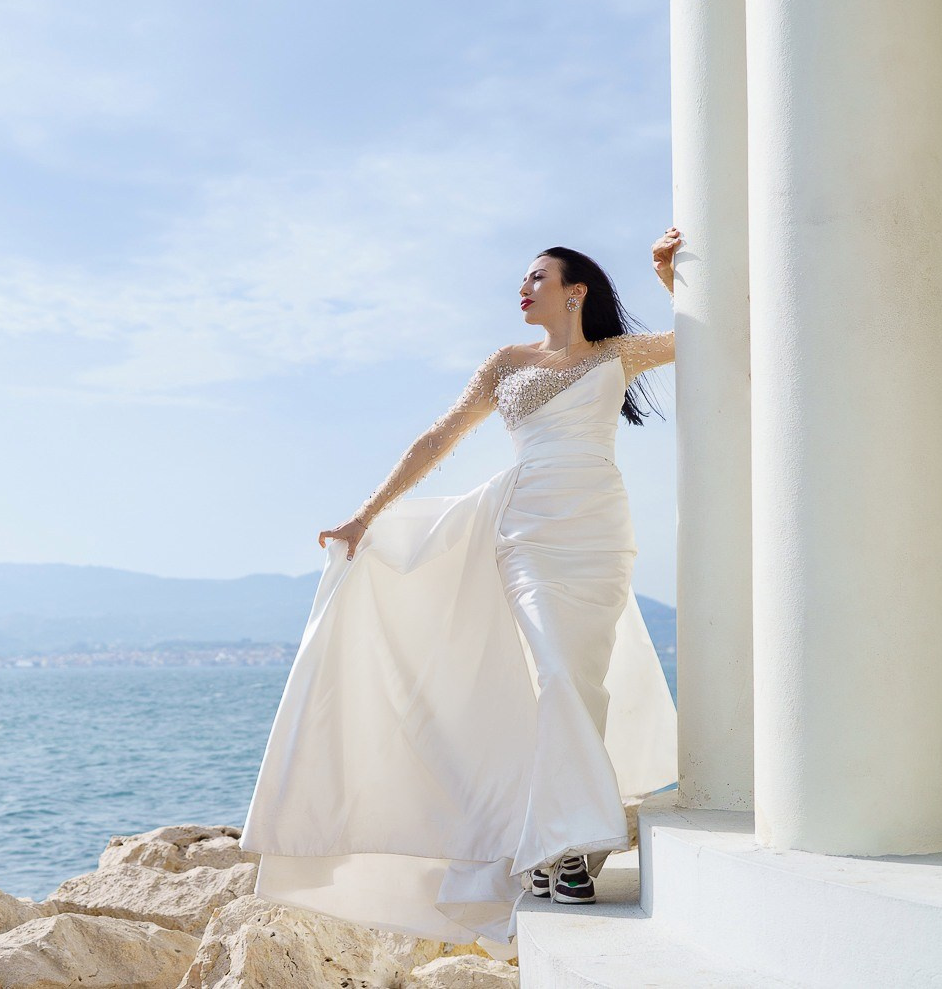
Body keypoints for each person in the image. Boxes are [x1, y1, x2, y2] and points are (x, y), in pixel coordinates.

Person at [239, 230, 683, 946]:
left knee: (581, 680)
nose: (523, 287)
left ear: (576, 292)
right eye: (524, 279)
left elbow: (701, 338)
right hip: (527, 531)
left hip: (599, 532)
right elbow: (438, 438)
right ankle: (570, 849)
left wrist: (668, 276)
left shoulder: (615, 355)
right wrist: (365, 515)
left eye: (538, 277)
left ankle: (556, 845)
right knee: (557, 674)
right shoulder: (507, 364)